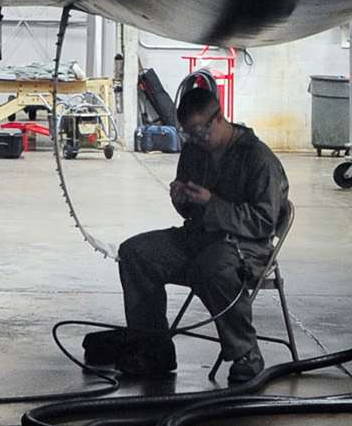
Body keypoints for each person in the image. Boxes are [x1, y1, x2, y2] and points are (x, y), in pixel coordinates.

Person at [115, 88, 290, 383]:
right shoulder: (196, 151)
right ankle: (153, 349)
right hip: (199, 237)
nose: (194, 140)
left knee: (214, 265)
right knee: (135, 252)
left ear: (218, 118)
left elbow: (263, 223)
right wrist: (181, 199)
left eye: (198, 132)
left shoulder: (259, 159)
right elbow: (192, 214)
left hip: (245, 248)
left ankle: (246, 353)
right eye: (188, 135)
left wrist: (212, 203)